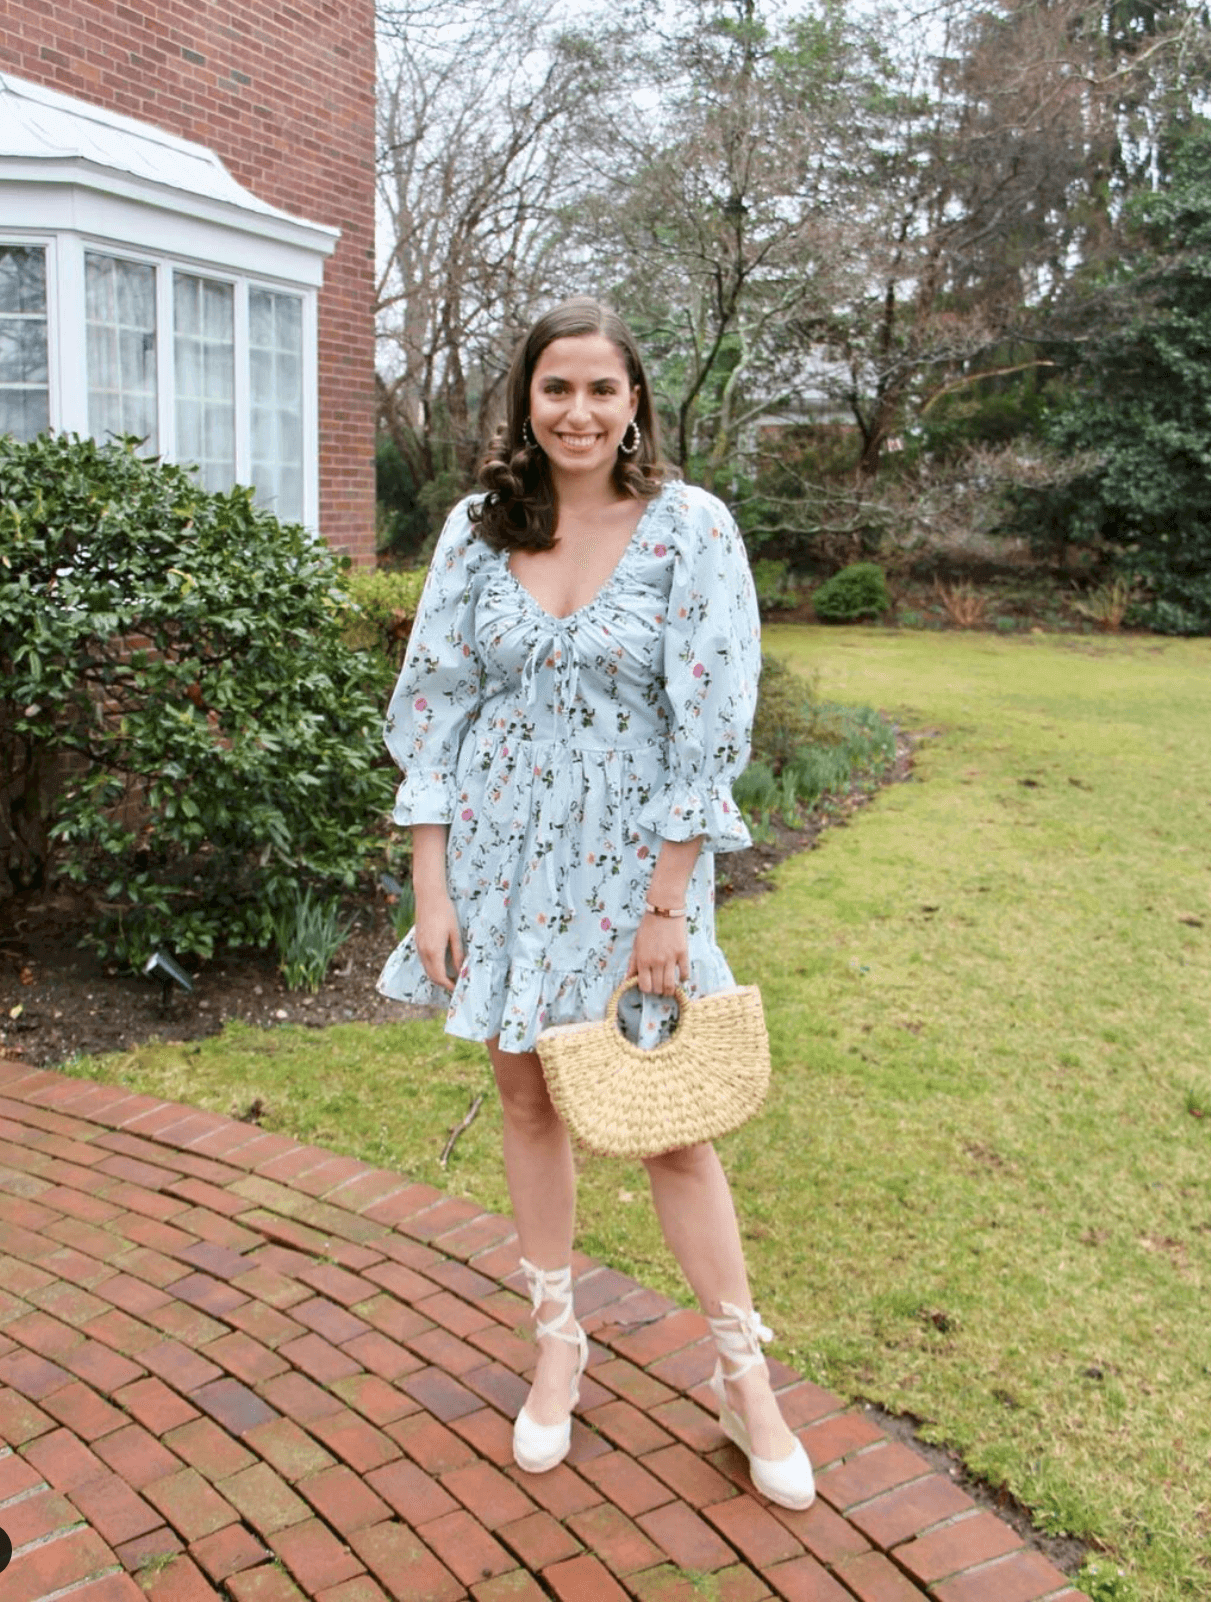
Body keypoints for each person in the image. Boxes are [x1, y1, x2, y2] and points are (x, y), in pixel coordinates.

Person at [375, 297, 815, 1510]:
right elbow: (434, 709)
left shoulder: (689, 528)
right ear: (526, 398)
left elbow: (709, 727)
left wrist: (667, 906)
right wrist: (431, 887)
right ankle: (556, 1343)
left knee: (670, 1118)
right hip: (497, 867)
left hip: (635, 877)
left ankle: (741, 1376)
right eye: (554, 388)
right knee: (526, 1101)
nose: (577, 411)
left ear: (635, 405)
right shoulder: (476, 529)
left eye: (600, 390)